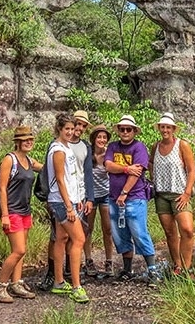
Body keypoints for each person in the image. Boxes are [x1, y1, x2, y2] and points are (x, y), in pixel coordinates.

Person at [104, 114, 163, 285]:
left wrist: (124, 192)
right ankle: (127, 268)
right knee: (119, 234)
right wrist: (126, 169)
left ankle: (152, 270)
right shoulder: (113, 146)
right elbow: (108, 165)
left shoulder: (139, 148)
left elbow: (137, 173)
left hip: (134, 198)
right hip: (114, 198)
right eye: (122, 129)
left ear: (134, 131)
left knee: (139, 232)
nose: (125, 132)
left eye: (128, 129)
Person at [0, 126, 43, 303]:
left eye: (30, 139)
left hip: (25, 210)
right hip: (12, 211)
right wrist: (4, 214)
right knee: (18, 250)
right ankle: (0, 286)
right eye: (25, 139)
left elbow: (45, 168)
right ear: (17, 142)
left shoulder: (29, 160)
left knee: (22, 251)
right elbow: (2, 188)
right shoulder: (9, 159)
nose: (29, 142)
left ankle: (16, 283)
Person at [47, 113, 90, 303]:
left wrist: (79, 197)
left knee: (62, 238)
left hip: (71, 199)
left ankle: (58, 282)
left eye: (73, 129)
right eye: (67, 129)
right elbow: (60, 180)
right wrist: (69, 206)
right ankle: (76, 286)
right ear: (59, 129)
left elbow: (73, 176)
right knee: (79, 239)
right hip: (62, 201)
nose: (71, 132)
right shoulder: (58, 150)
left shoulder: (67, 147)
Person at [148, 112, 195, 277]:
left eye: (168, 127)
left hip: (179, 194)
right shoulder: (156, 146)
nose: (165, 130)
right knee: (170, 232)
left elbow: (191, 170)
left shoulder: (182, 145)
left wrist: (187, 193)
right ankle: (177, 265)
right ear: (159, 128)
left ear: (173, 129)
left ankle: (187, 266)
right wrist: (153, 180)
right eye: (163, 127)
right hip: (161, 195)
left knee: (187, 230)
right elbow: (151, 163)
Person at [85, 124, 116, 278]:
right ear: (94, 138)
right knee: (88, 229)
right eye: (99, 137)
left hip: (105, 194)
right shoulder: (87, 153)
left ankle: (109, 260)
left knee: (108, 229)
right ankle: (88, 260)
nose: (102, 140)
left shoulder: (109, 154)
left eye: (104, 137)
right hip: (90, 195)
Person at [68, 110, 96, 276]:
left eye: (83, 125)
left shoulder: (85, 146)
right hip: (62, 195)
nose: (80, 128)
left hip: (80, 196)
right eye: (78, 123)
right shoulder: (60, 143)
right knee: (60, 236)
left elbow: (88, 173)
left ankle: (74, 270)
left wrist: (90, 198)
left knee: (79, 234)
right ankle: (56, 272)